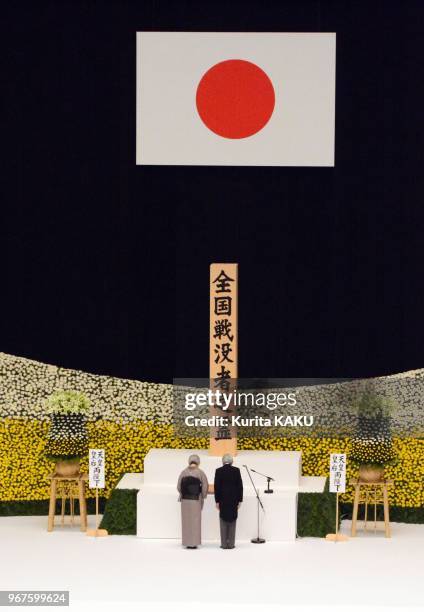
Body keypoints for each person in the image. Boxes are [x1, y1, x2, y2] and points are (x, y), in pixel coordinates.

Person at [177, 454, 208, 549]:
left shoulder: (183, 472)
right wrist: (203, 496)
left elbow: (178, 486)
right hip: (195, 500)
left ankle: (187, 542)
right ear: (198, 462)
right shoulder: (200, 472)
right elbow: (205, 486)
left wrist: (183, 493)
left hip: (185, 500)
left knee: (186, 521)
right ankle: (194, 543)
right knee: (195, 521)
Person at [214, 453, 243, 549]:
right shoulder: (236, 470)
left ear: (223, 461)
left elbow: (216, 487)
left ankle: (223, 544)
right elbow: (240, 486)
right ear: (232, 461)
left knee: (223, 520)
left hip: (222, 499)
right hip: (233, 500)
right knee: (233, 520)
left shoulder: (218, 471)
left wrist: (217, 501)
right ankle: (231, 544)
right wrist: (240, 500)